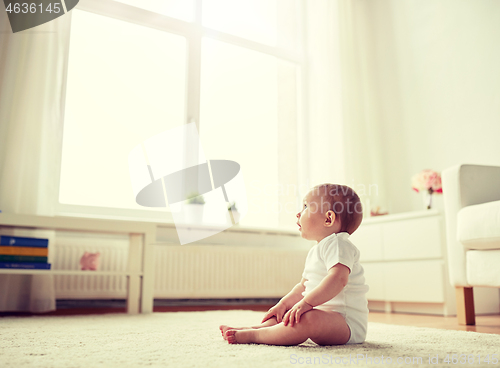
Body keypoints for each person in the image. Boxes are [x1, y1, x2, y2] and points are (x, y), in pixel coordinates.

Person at [219, 184, 369, 345]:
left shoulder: (339, 244)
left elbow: (338, 279)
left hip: (346, 324)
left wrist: (306, 303)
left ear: (328, 219)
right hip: (324, 316)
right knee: (288, 313)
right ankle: (257, 329)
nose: (298, 213)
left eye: (306, 207)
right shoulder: (316, 250)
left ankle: (256, 336)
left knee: (307, 317)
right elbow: (303, 287)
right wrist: (283, 304)